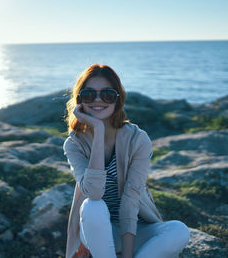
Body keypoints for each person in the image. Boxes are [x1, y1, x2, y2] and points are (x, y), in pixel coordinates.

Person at [63, 64, 190, 258]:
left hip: (136, 229)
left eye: (107, 94)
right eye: (89, 94)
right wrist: (98, 130)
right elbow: (94, 193)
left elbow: (131, 200)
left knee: (179, 230)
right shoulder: (74, 143)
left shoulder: (137, 139)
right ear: (80, 100)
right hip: (96, 231)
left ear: (117, 99)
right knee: (92, 206)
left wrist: (128, 255)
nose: (98, 100)